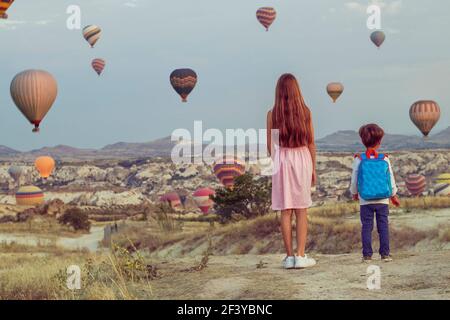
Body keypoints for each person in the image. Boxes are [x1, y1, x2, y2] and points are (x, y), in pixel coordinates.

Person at [267, 73, 317, 269]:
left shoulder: (272, 114)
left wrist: (277, 163)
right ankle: (301, 255)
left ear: (278, 91)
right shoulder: (306, 111)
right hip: (302, 157)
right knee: (301, 209)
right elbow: (311, 142)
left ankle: (289, 257)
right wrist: (312, 168)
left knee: (285, 210)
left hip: (282, 158)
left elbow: (270, 145)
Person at [350, 124, 400, 263]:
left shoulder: (359, 159)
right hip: (383, 199)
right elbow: (390, 178)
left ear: (363, 141)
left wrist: (354, 193)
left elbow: (354, 179)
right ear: (379, 141)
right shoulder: (384, 159)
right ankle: (385, 254)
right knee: (383, 226)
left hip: (365, 200)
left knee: (366, 227)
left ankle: (367, 256)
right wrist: (393, 195)